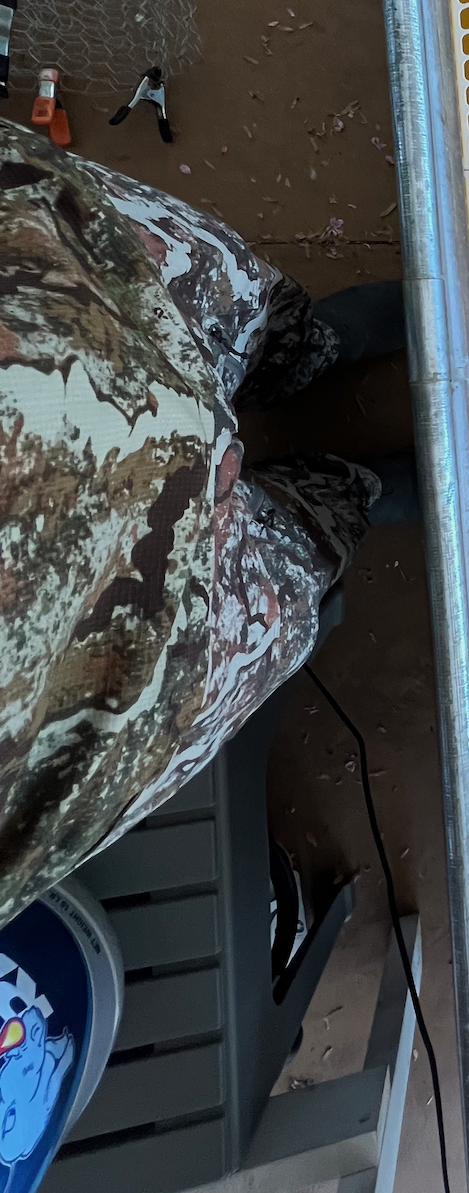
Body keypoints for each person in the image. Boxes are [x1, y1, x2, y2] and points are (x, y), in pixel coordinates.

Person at [0, 115, 416, 928]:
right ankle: (341, 491)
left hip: (48, 284)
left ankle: (303, 351)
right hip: (54, 679)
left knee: (196, 299)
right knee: (260, 583)